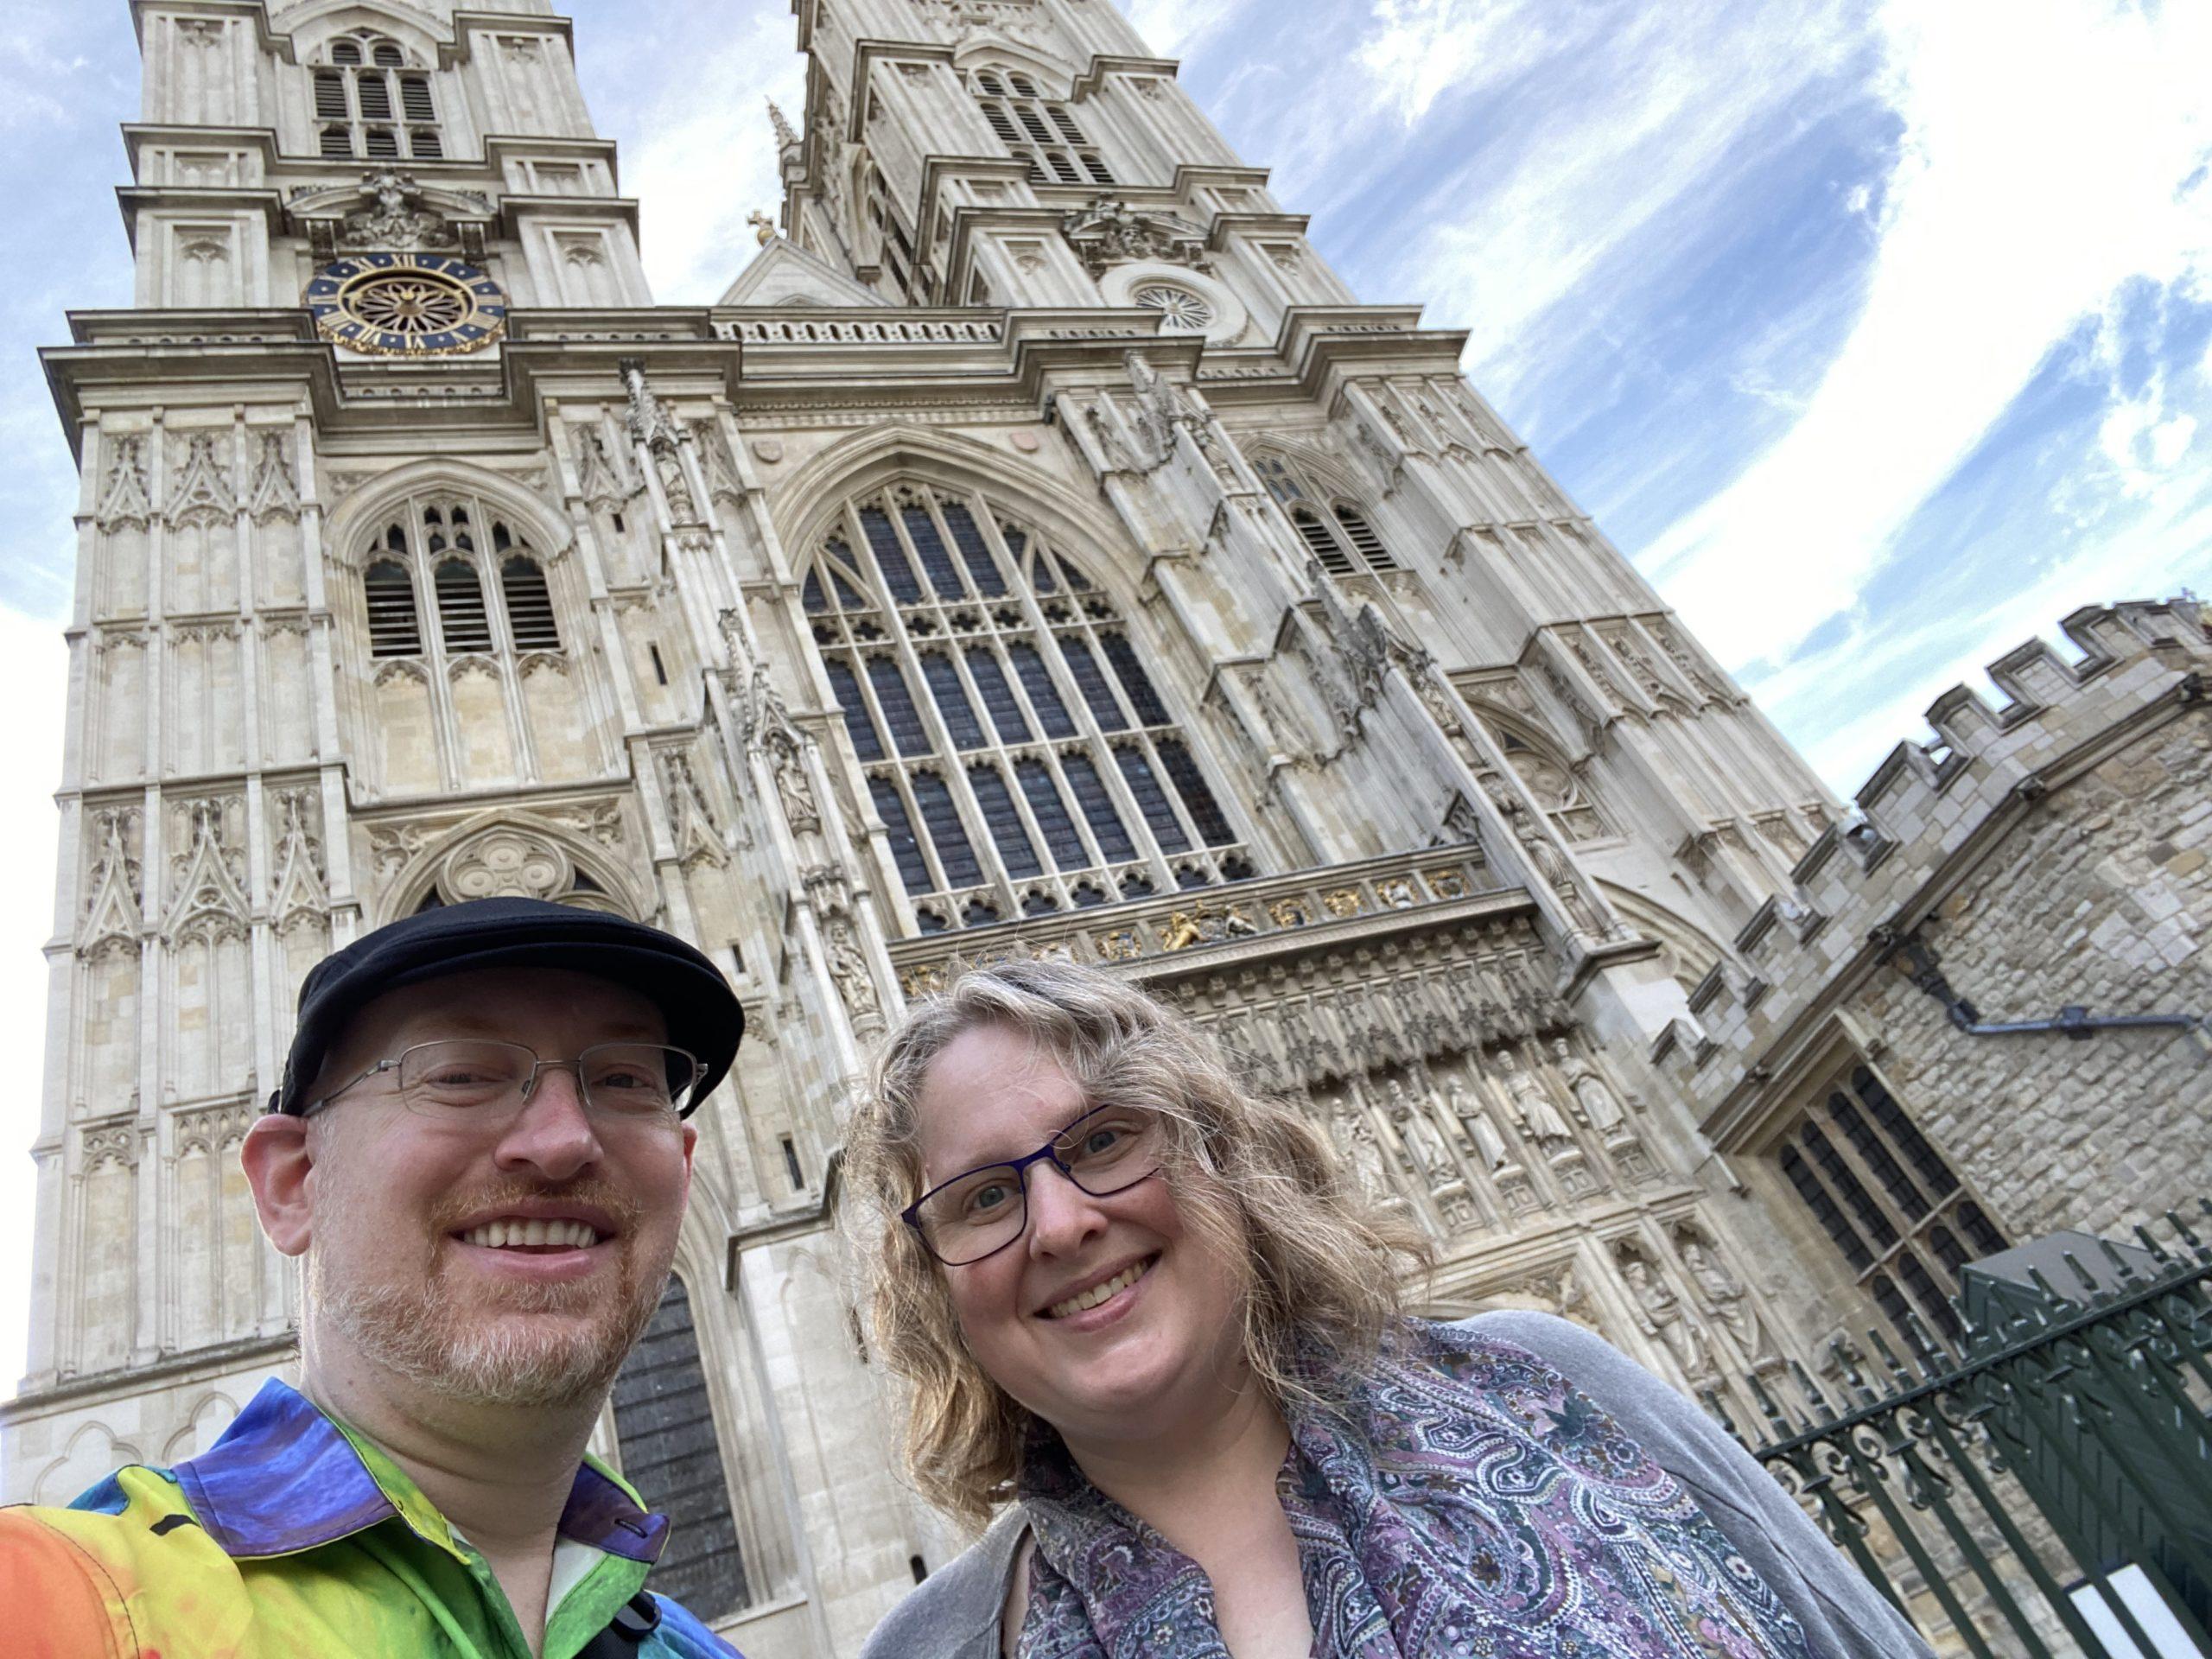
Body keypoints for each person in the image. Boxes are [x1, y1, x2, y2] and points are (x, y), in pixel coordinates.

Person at [846, 957, 1934, 1659]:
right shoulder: (932, 1646)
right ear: (933, 1286)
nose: (1061, 1222)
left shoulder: (1550, 1386)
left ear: (1224, 1160)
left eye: (1104, 1141)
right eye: (982, 1197)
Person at [0, 898, 750, 1659]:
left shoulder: (694, 1651)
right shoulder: (67, 1601)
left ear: (681, 1171)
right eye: (461, 1075)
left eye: (625, 1081)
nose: (562, 1140)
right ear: (295, 1184)